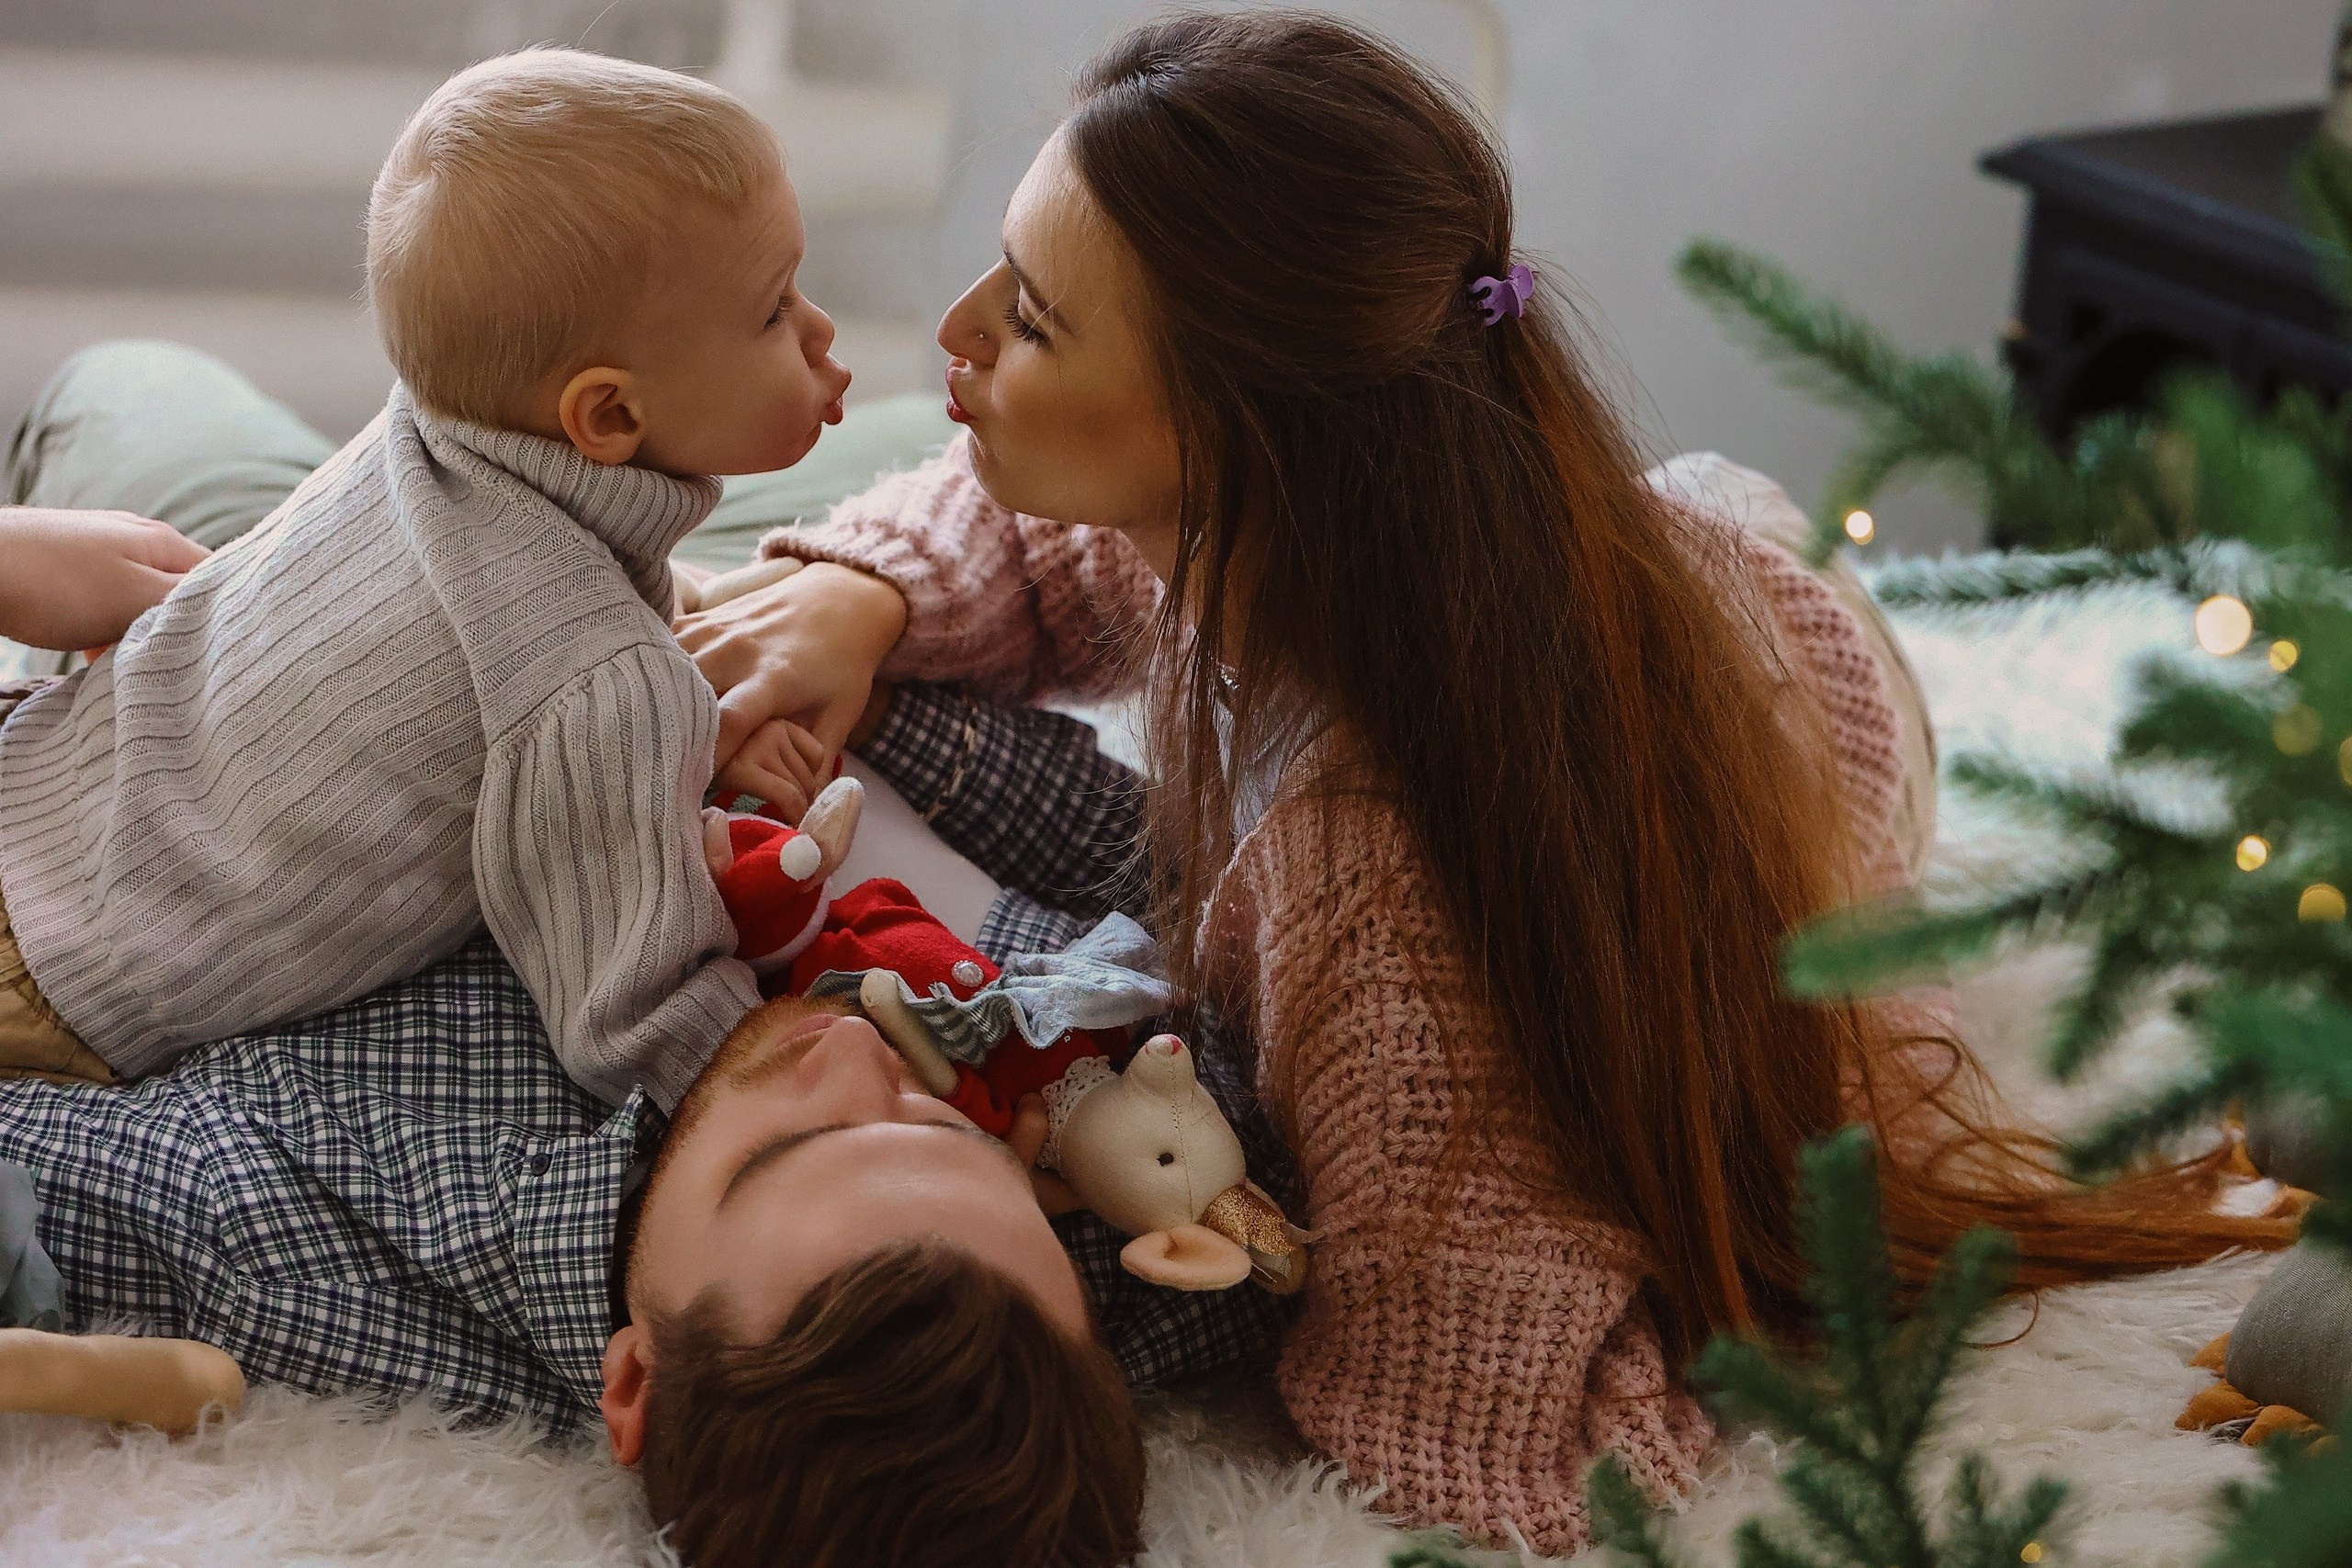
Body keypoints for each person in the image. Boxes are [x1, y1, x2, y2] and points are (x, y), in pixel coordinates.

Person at [668, 12, 2295, 1552]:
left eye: (1029, 317)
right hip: (1667, 558)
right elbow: (1048, 537)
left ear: (1232, 437)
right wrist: (864, 587)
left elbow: (1523, 1437)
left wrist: (1038, 1268)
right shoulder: (1296, 514)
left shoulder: (1378, 897)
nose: (954, 332)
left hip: (1829, 700)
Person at [0, 343, 1292, 1568]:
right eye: (952, 1136)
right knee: (900, 423)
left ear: (635, 1380)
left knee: (129, 389)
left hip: (259, 665)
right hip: (754, 603)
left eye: (785, 1142)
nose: (855, 1044)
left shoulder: (308, 1241)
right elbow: (1186, 870)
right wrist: (871, 657)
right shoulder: (1118, 1267)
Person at [0, 47, 863, 1112]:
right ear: (608, 419)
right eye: (775, 310)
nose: (823, 330)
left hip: (28, 777)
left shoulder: (426, 423)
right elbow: (635, 1020)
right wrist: (823, 1070)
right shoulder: (601, 682)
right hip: (58, 975)